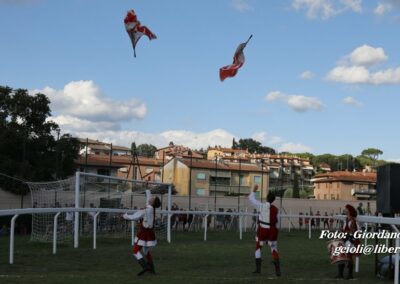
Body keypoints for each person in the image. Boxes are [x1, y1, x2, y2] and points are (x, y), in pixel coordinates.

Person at [123, 189, 161, 276]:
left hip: (144, 233)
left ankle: (145, 266)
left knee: (135, 250)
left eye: (153, 198)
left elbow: (136, 216)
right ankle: (151, 269)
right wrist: (147, 189)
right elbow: (149, 197)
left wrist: (125, 216)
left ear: (153, 202)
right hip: (148, 232)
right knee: (145, 251)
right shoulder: (151, 207)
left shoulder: (148, 209)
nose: (151, 198)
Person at [248, 185, 281, 276]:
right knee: (273, 248)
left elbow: (251, 199)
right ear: (273, 200)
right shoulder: (276, 210)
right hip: (272, 232)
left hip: (263, 231)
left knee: (259, 247)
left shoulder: (261, 206)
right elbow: (277, 222)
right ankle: (277, 270)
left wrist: (254, 191)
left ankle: (258, 269)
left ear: (266, 198)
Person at [335, 204, 359, 280]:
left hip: (350, 241)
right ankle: (340, 274)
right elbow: (344, 230)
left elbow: (353, 232)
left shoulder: (353, 220)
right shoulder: (346, 219)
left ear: (349, 211)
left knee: (349, 257)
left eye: (346, 209)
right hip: (345, 239)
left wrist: (345, 235)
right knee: (341, 256)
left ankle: (350, 275)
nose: (344, 210)